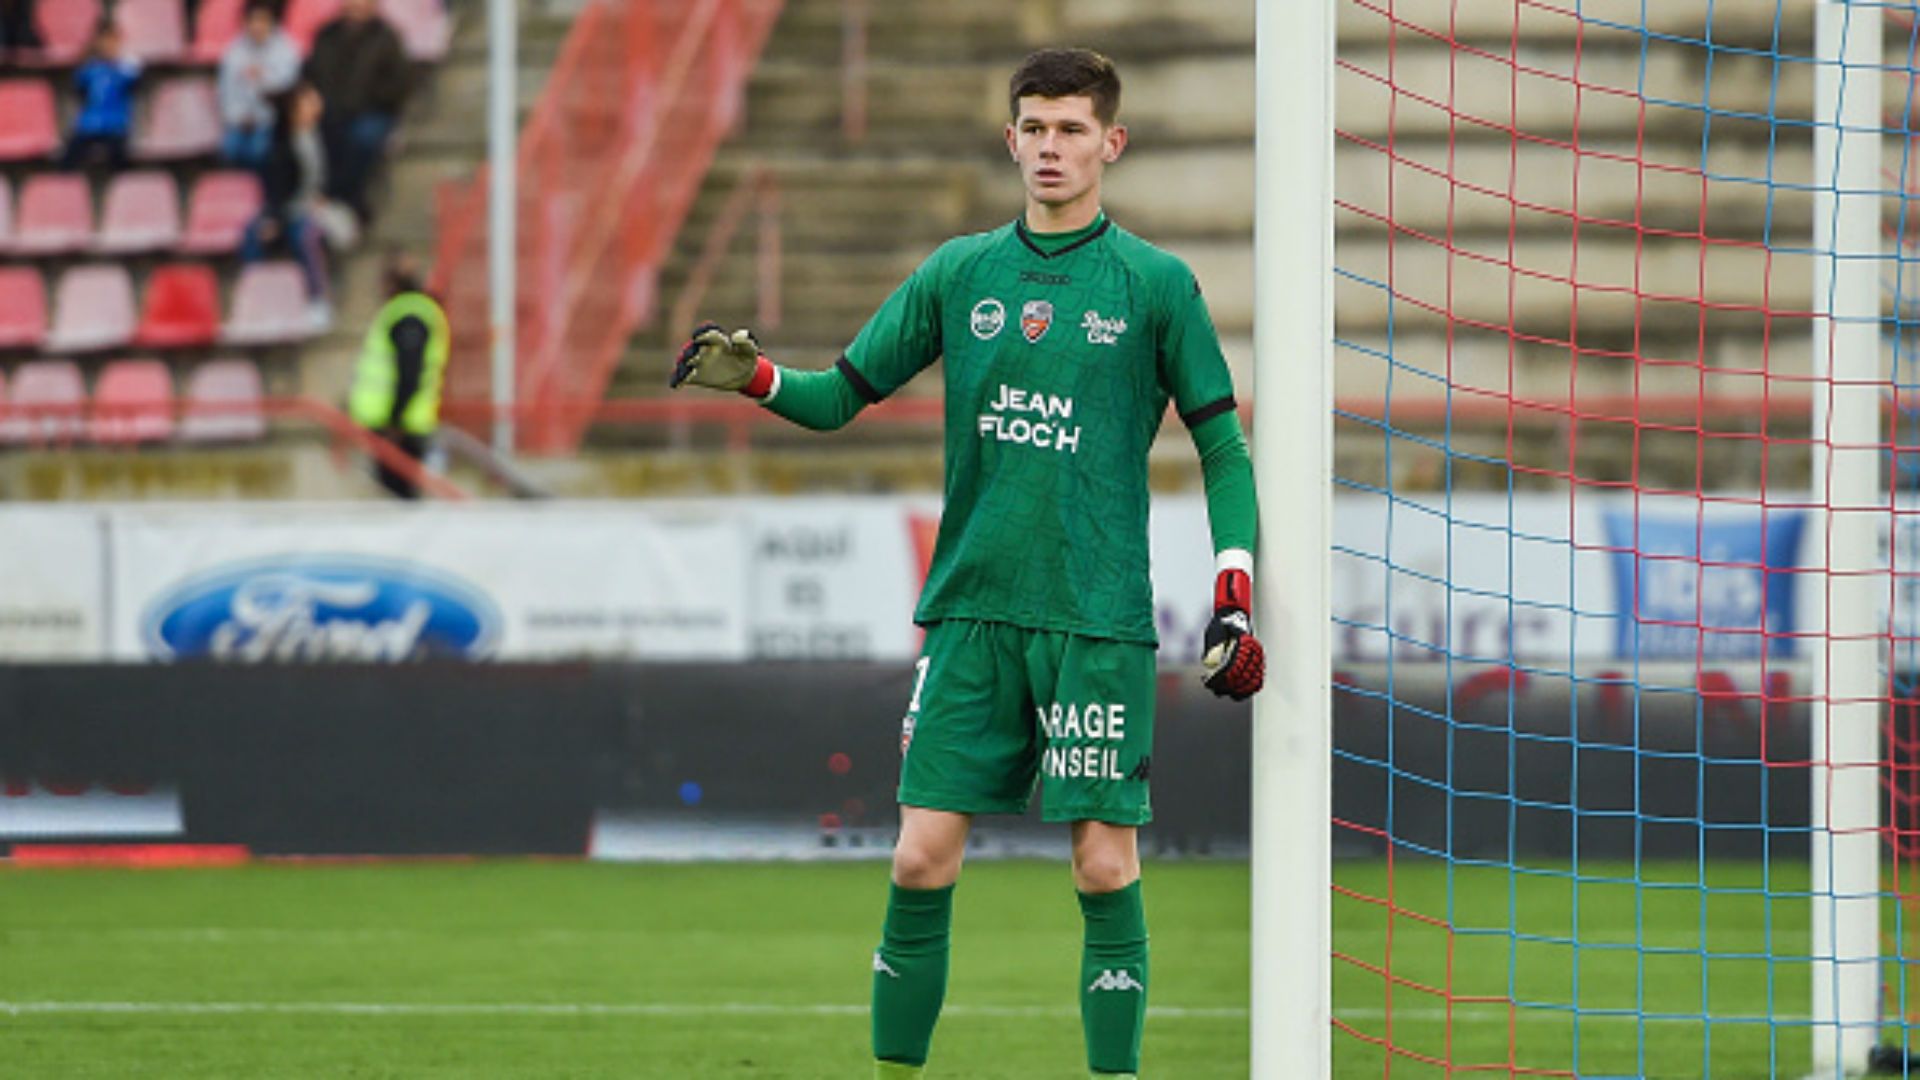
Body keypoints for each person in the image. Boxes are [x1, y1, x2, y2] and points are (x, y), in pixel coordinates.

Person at [670, 48, 1265, 1080]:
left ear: (1110, 144)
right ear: (1010, 139)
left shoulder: (1157, 286)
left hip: (1095, 620)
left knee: (1101, 864)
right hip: (973, 614)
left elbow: (1222, 447)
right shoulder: (960, 274)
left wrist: (1232, 595)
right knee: (917, 855)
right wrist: (757, 376)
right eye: (1034, 127)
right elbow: (838, 396)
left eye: (1072, 129)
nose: (1050, 147)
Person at [348, 251, 449, 500]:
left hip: (400, 428)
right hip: (397, 424)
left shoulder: (409, 315)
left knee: (400, 503)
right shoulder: (408, 311)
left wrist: (395, 421)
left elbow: (409, 372)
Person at [301, 0, 411, 222]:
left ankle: (344, 198)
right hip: (331, 112)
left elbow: (399, 83)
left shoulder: (387, 37)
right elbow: (311, 74)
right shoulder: (326, 34)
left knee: (362, 139)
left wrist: (367, 101)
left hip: (373, 111)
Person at [242, 83, 334, 329]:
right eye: (308, 103)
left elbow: (327, 181)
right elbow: (279, 191)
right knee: (252, 233)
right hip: (288, 209)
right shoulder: (280, 145)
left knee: (305, 236)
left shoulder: (325, 135)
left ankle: (318, 300)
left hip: (315, 208)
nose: (316, 107)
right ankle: (256, 300)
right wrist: (275, 220)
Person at [218, 2, 300, 169]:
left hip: (271, 121)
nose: (257, 26)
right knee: (229, 149)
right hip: (239, 121)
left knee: (259, 150)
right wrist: (238, 117)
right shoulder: (234, 51)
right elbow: (226, 91)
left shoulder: (287, 49)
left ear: (273, 22)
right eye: (252, 20)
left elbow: (285, 89)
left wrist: (262, 77)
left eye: (262, 20)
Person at [61, 23, 141, 173]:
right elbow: (79, 90)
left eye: (113, 41)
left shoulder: (126, 69)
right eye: (105, 41)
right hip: (89, 126)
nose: (109, 46)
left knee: (120, 158)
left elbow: (135, 87)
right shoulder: (89, 69)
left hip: (116, 126)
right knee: (69, 155)